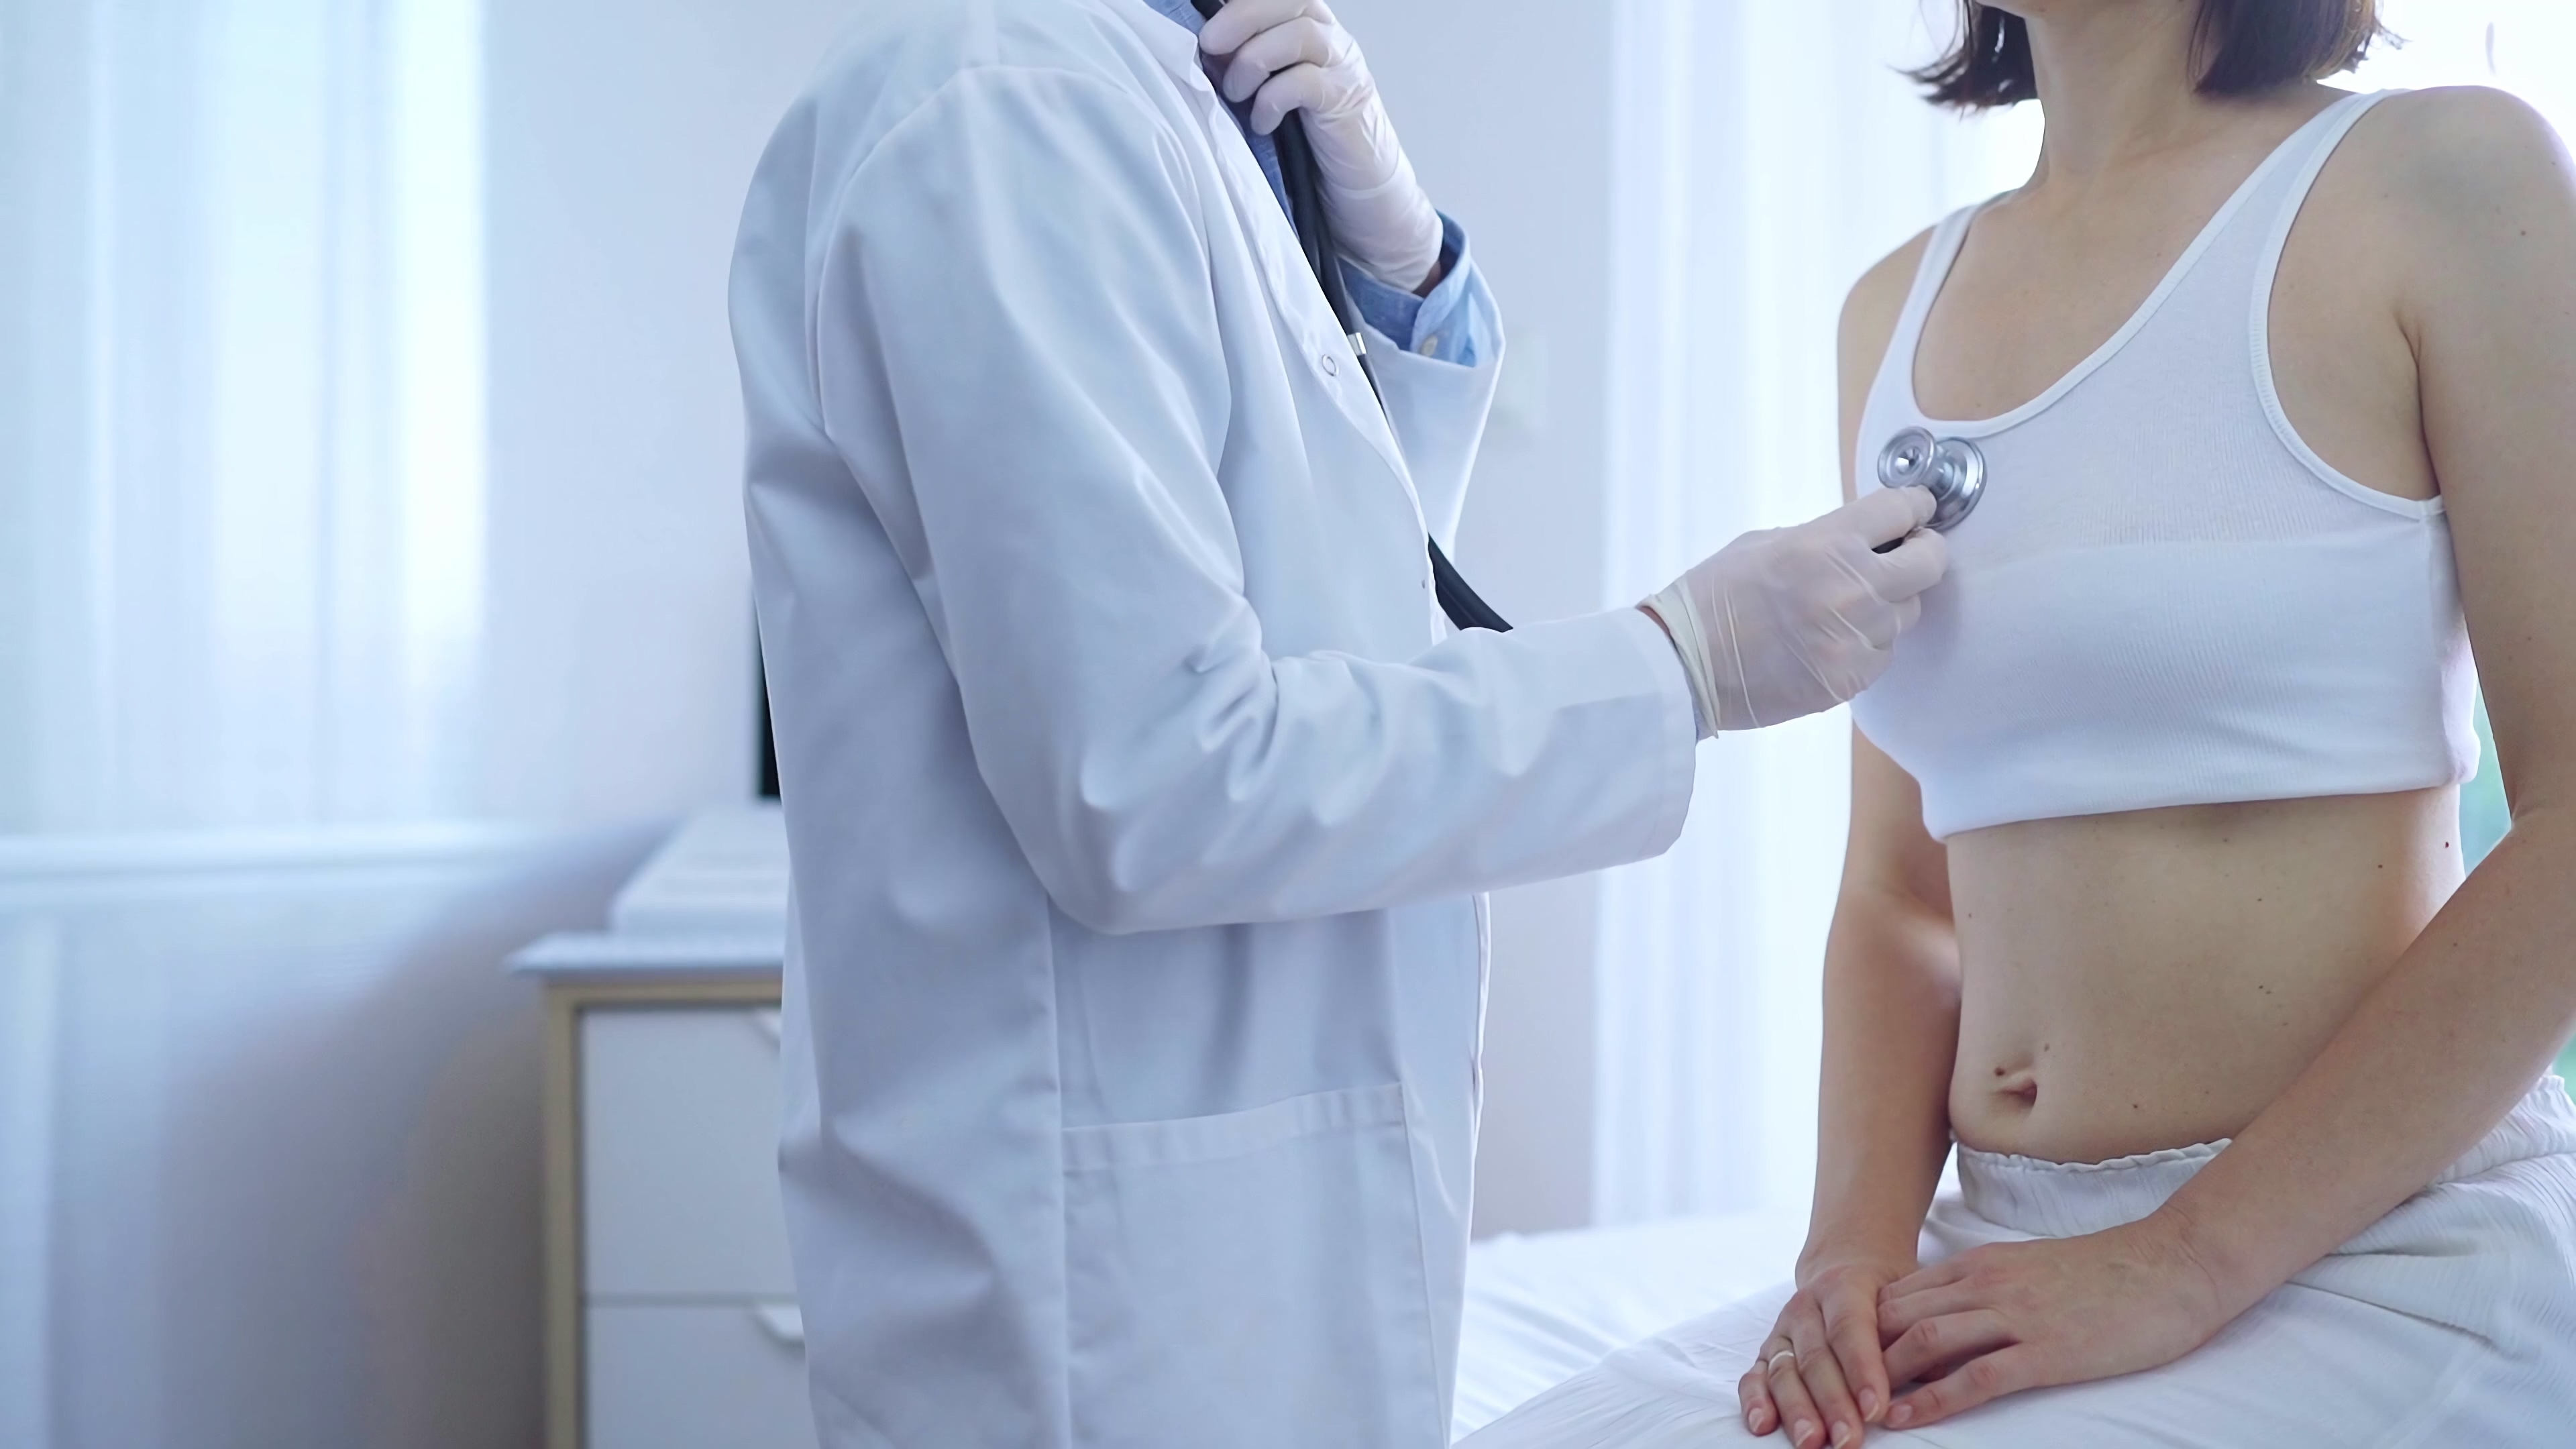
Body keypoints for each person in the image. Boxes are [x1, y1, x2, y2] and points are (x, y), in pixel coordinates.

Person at [726, 0, 1949, 1444]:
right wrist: (1681, 665)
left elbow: (1326, 593)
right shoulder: (1005, 107)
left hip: (1222, 1237)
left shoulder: (1154, 91)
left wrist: (1401, 282)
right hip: (1096, 1278)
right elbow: (1153, 779)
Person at [1464, 1, 2576, 1445]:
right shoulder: (1896, 308)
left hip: (2371, 1249)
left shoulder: (2447, 177)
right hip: (2001, 1245)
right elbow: (1903, 894)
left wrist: (2184, 1263)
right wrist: (1846, 1262)